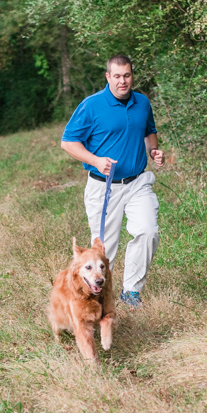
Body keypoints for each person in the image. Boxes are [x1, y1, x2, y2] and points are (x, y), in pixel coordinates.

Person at [60, 54, 165, 308]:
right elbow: (68, 142)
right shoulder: (92, 105)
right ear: (108, 77)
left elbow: (149, 131)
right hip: (103, 187)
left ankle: (131, 292)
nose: (122, 81)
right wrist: (95, 160)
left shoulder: (142, 103)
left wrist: (153, 151)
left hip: (138, 182)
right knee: (104, 253)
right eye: (116, 76)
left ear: (132, 75)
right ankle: (93, 304)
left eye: (127, 75)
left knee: (148, 231)